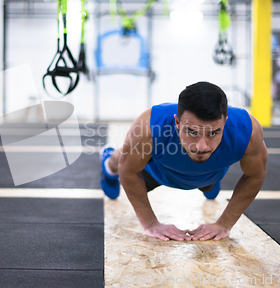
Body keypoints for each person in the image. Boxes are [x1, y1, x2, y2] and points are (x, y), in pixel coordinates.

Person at [100, 82, 267, 242]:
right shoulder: (150, 126)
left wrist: (224, 224)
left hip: (210, 175)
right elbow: (128, 170)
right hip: (157, 172)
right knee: (123, 158)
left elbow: (255, 175)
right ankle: (108, 165)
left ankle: (209, 183)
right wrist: (151, 224)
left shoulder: (247, 131)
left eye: (213, 133)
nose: (201, 146)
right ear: (177, 122)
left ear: (225, 122)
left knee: (210, 188)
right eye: (192, 132)